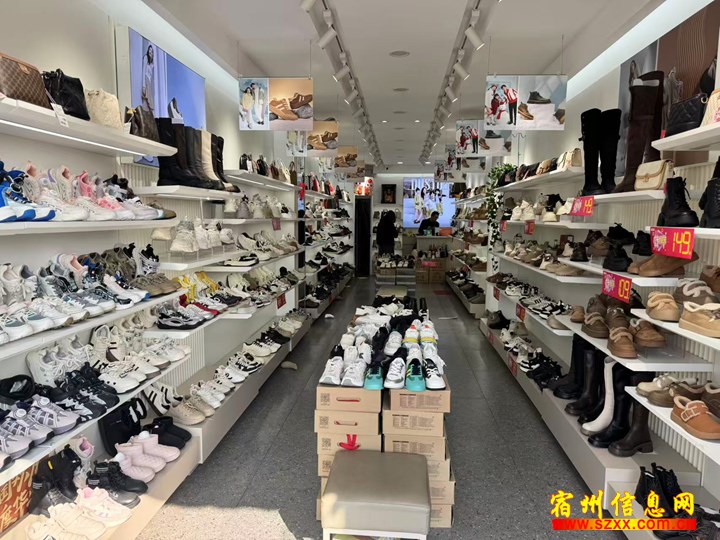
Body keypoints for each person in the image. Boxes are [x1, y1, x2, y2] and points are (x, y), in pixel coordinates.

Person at [141, 44, 155, 115]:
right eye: (149, 50)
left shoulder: (152, 63)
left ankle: (146, 115)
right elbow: (144, 71)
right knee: (149, 101)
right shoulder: (146, 57)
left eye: (152, 51)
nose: (150, 52)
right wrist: (143, 85)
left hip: (149, 81)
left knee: (146, 102)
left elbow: (151, 75)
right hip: (146, 80)